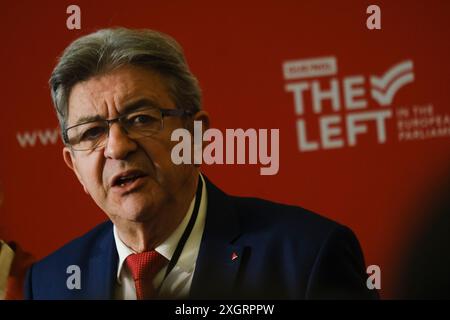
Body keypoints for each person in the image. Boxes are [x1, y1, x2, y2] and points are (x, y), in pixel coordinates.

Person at [25, 28, 378, 300]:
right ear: (74, 167)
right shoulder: (47, 284)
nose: (117, 147)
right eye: (92, 132)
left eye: (142, 119)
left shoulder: (307, 257)